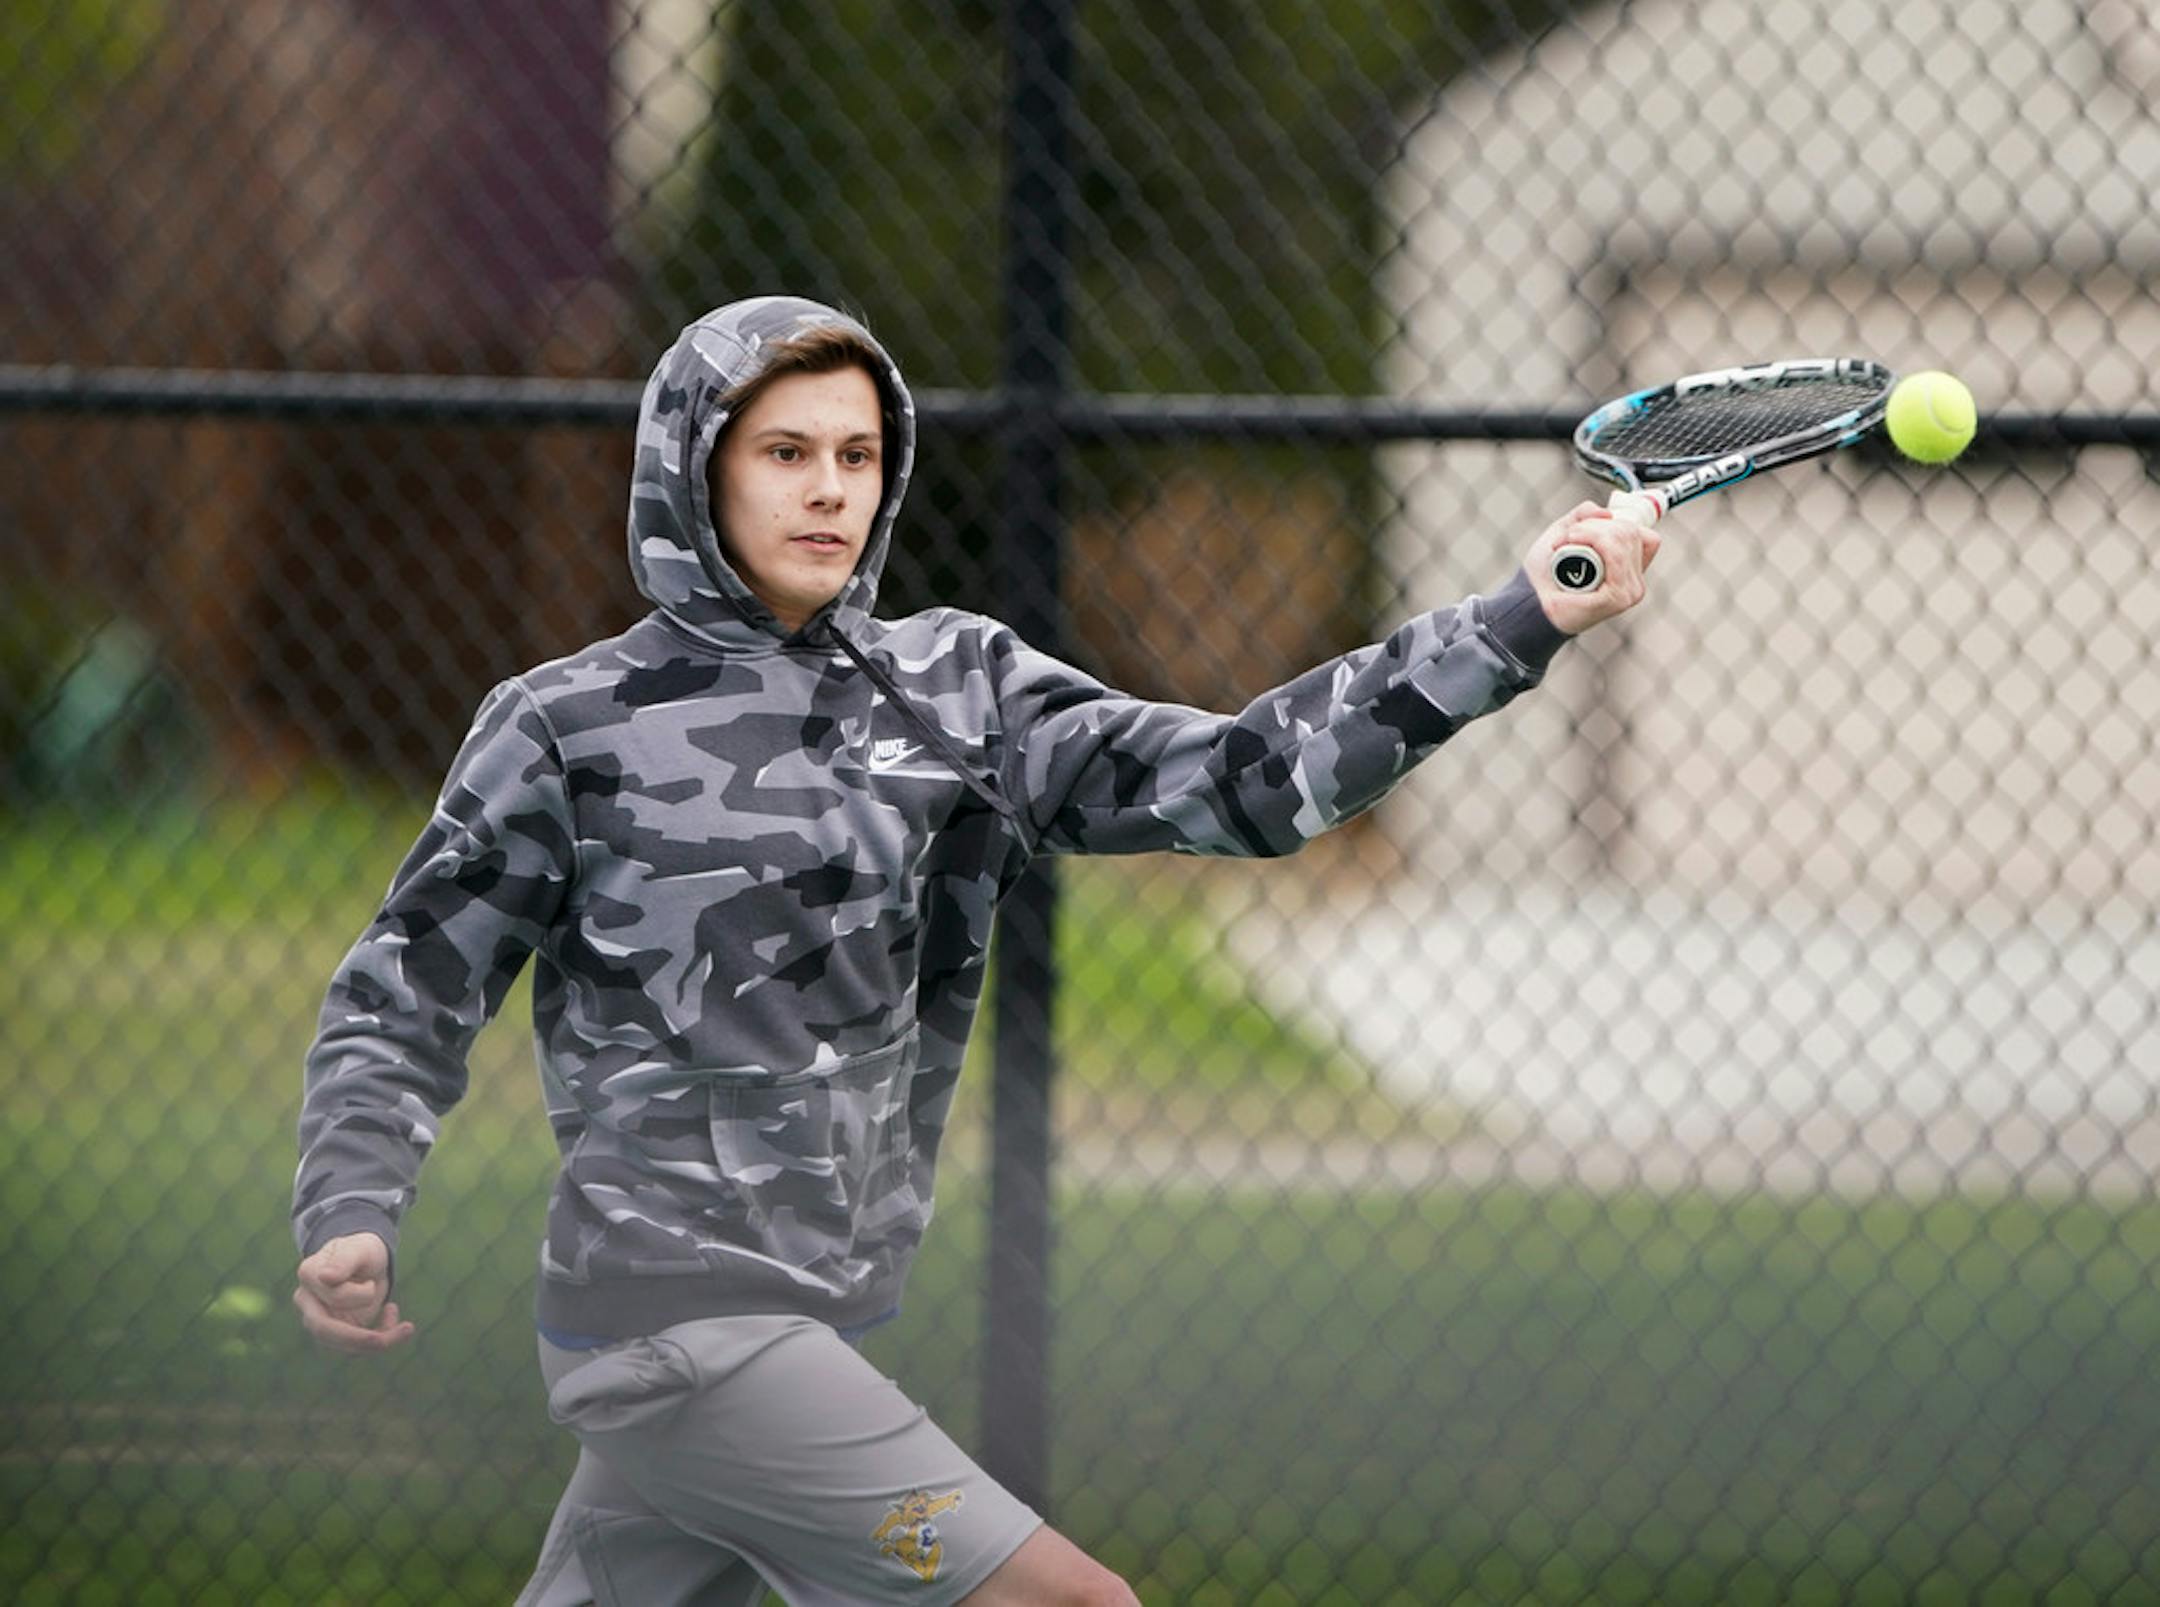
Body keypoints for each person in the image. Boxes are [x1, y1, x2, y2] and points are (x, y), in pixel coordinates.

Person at [291, 294, 1658, 1605]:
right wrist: (352, 1198)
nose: (831, 488)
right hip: (676, 1333)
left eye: (859, 454)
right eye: (784, 453)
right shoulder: (562, 725)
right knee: (1064, 1601)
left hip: (807, 1320)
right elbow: (410, 984)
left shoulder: (961, 692)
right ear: (689, 474)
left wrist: (1522, 615)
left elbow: (1251, 782)